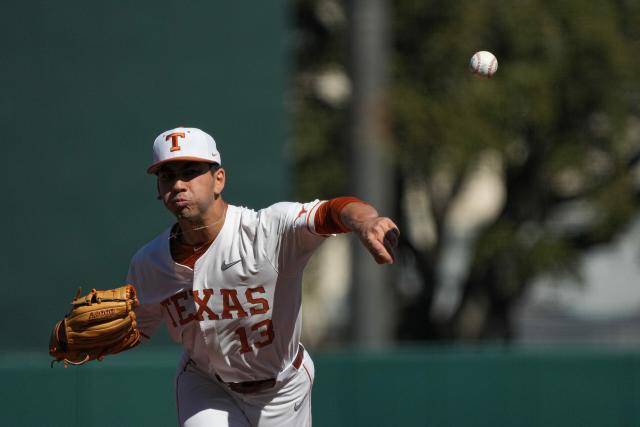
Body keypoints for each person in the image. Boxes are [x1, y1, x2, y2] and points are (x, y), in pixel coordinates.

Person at [126, 127, 399, 427]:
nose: (178, 184)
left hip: (282, 389)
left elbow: (331, 211)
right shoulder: (149, 263)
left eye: (190, 172)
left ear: (219, 180)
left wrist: (367, 221)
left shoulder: (268, 232)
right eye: (167, 176)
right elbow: (136, 327)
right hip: (206, 384)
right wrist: (92, 343)